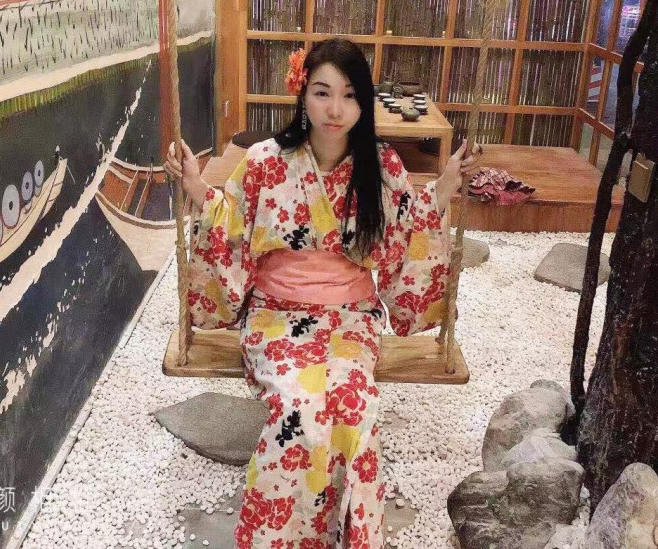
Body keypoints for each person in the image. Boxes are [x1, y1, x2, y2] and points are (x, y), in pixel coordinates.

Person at [163, 38, 479, 549]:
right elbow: (229, 217)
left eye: (350, 95)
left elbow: (410, 222)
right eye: (322, 92)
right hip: (276, 315)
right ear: (302, 95)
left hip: (351, 315)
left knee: (354, 408)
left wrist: (445, 184)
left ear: (364, 102)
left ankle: (348, 537)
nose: (335, 109)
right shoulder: (266, 161)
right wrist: (196, 185)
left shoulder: (381, 165)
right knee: (298, 405)